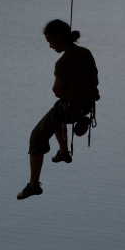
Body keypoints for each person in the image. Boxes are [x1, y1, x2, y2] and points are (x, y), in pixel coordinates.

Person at [17, 19, 100, 200]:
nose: (50, 46)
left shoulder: (62, 63)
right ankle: (63, 151)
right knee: (56, 115)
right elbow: (94, 78)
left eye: (50, 42)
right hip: (87, 104)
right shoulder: (86, 53)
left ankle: (33, 185)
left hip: (70, 107)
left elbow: (57, 90)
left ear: (59, 38)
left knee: (37, 136)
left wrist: (66, 90)